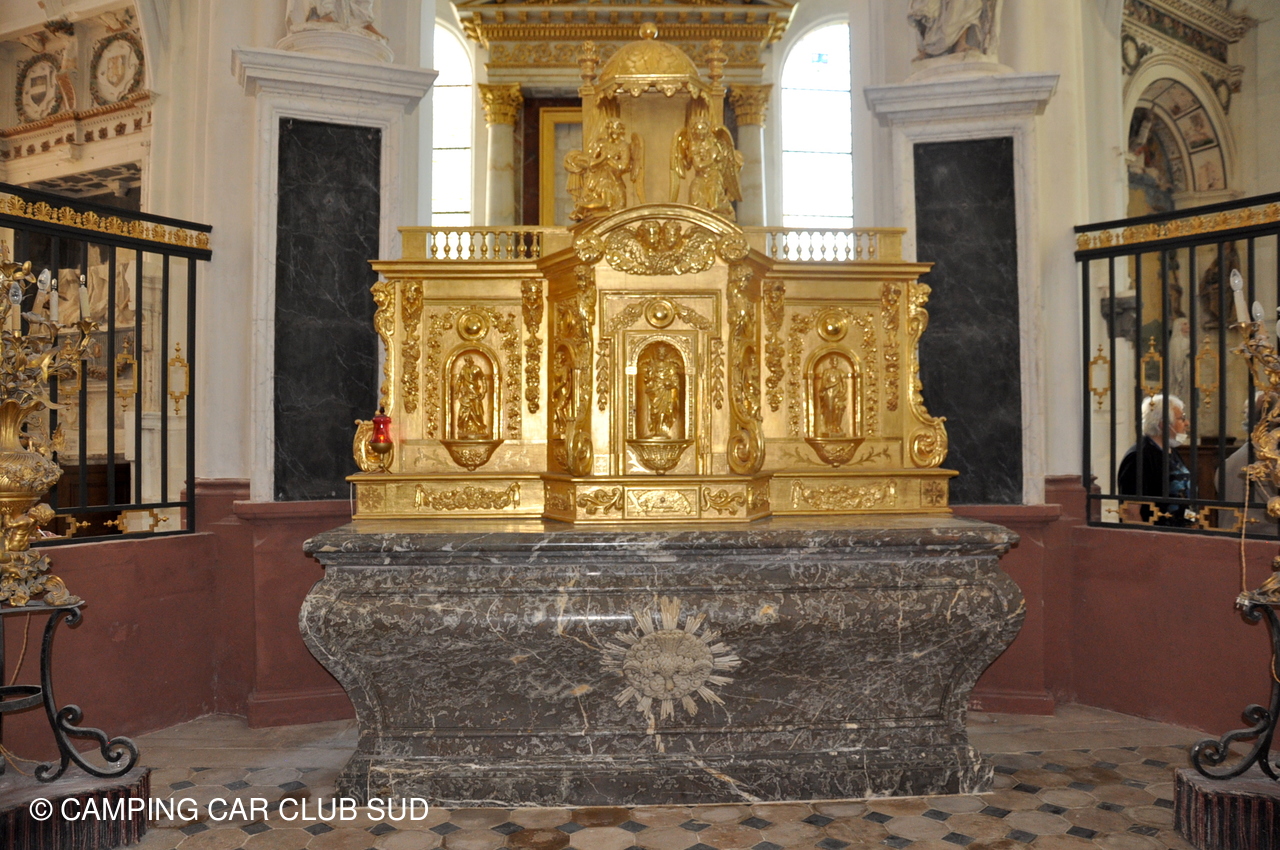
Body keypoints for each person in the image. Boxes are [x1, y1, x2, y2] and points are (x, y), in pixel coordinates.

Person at [1117, 393, 1193, 526]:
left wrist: (1192, 523)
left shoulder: (1172, 451)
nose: (1187, 423)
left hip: (1181, 531)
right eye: (1181, 419)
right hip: (1158, 533)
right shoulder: (1139, 457)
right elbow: (1131, 511)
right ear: (1164, 424)